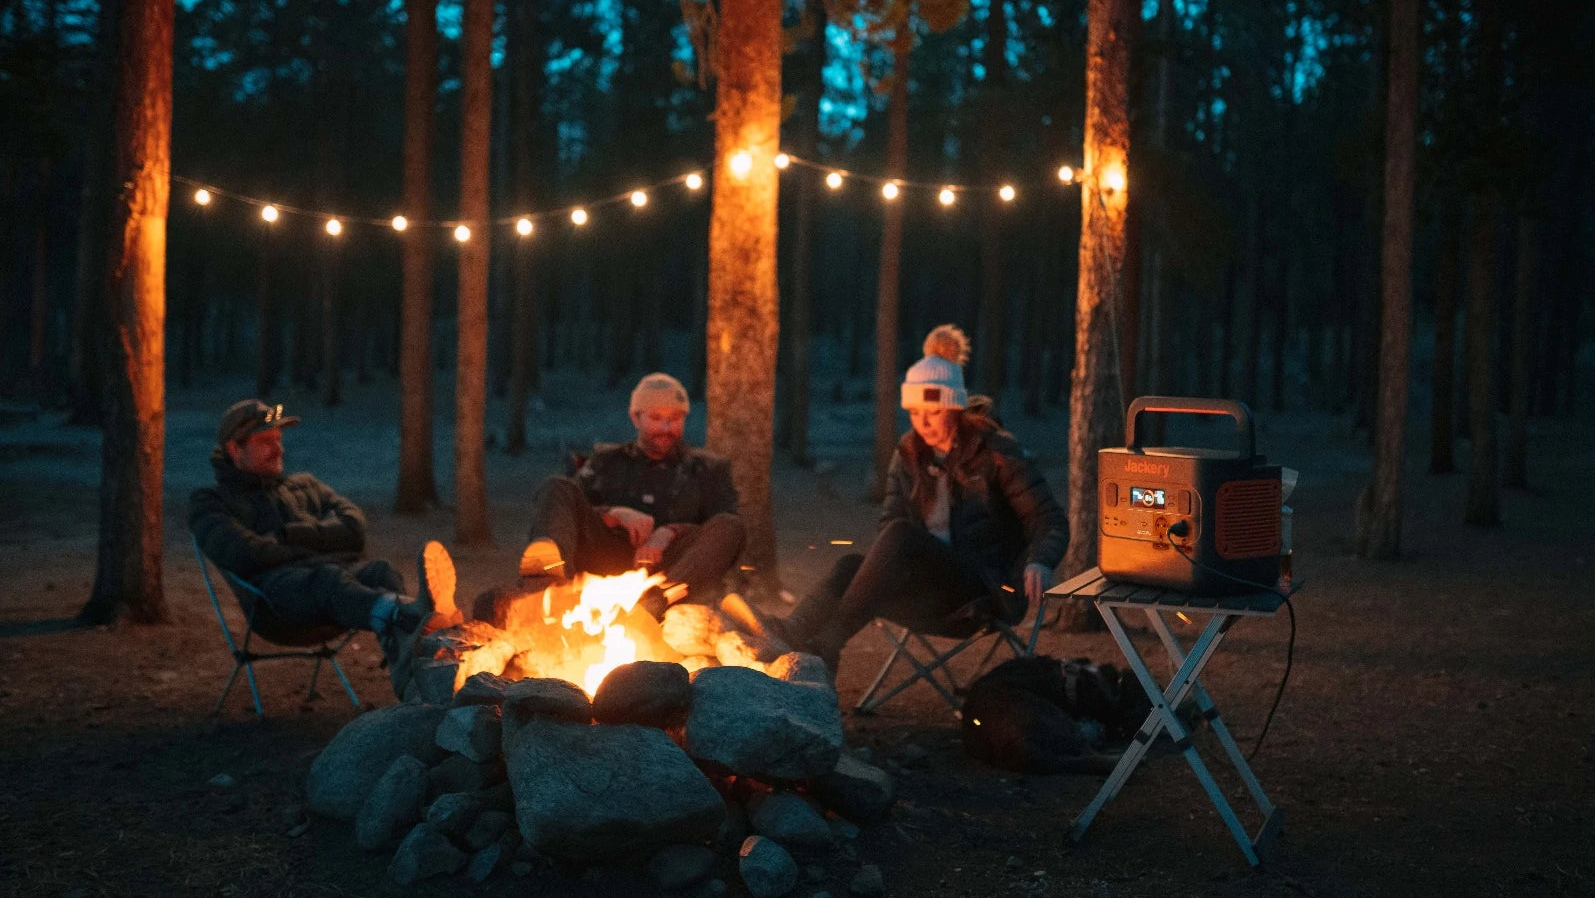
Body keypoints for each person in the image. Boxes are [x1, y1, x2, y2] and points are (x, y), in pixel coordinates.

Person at [728, 325, 1068, 672]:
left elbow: (1048, 519)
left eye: (932, 413)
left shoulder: (997, 454)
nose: (922, 423)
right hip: (926, 588)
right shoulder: (909, 454)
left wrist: (1039, 560)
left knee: (902, 534)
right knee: (851, 565)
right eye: (914, 412)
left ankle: (829, 644)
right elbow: (890, 522)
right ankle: (791, 630)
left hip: (980, 593)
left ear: (954, 408)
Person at [188, 399, 463, 697]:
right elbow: (243, 553)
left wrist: (288, 536)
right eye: (266, 442)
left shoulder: (304, 486)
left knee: (380, 571)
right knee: (328, 578)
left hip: (336, 594)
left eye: (279, 440)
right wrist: (319, 549)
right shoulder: (210, 502)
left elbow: (354, 527)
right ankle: (412, 616)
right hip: (276, 605)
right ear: (234, 448)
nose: (279, 450)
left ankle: (409, 673)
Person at [519, 372, 745, 615]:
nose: (666, 428)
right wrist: (614, 514)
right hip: (606, 558)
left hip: (671, 569)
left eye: (675, 418)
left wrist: (669, 532)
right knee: (557, 487)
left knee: (730, 525)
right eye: (656, 418)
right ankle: (546, 591)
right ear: (635, 417)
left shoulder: (709, 469)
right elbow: (574, 513)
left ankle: (654, 605)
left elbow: (721, 533)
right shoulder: (606, 461)